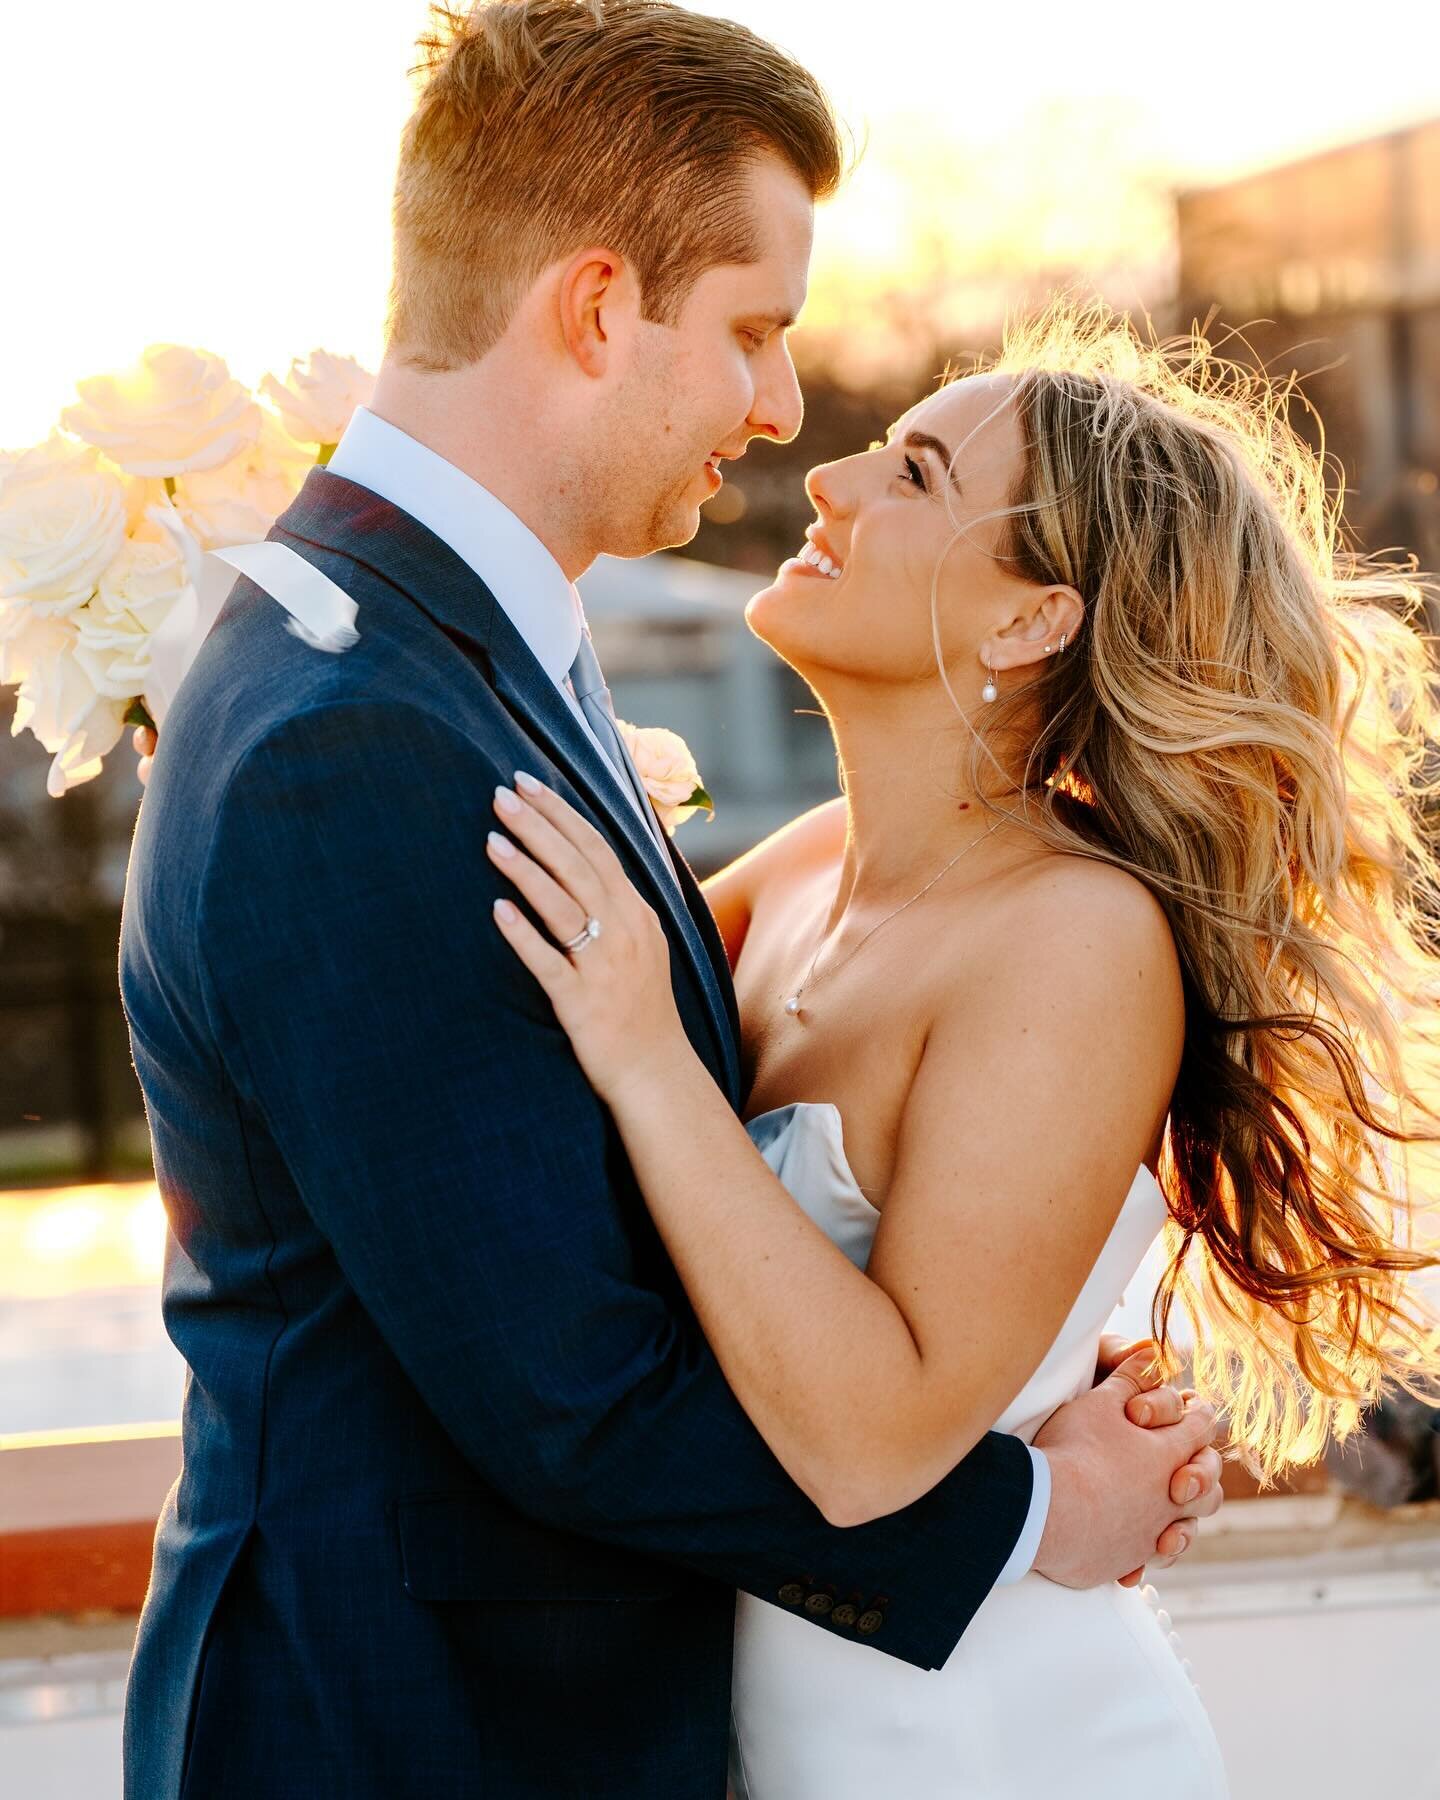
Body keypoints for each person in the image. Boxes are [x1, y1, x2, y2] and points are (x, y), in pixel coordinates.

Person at [119, 7, 1221, 1798]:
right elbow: (568, 1393)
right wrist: (1030, 1508)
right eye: (753, 334)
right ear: (593, 305)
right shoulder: (360, 739)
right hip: (410, 1736)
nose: (791, 416)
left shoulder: (442, 661)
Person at [481, 304, 1440, 1796]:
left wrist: (647, 1054)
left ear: (1029, 620)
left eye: (916, 475)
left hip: (984, 1737)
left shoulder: (1076, 938)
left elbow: (874, 1446)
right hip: (778, 1716)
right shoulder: (800, 872)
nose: (829, 481)